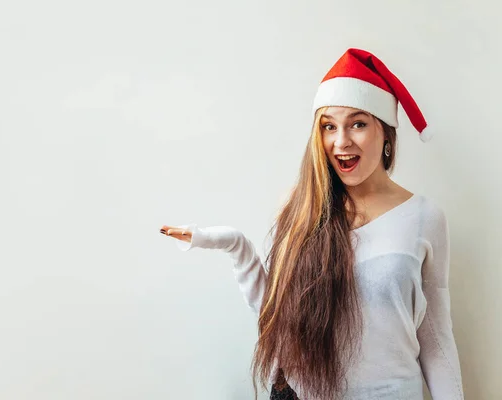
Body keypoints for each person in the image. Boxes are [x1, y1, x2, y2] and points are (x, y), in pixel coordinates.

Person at [160, 48, 464, 400]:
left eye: (358, 124)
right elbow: (276, 319)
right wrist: (236, 246)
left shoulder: (424, 218)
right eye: (328, 127)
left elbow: (436, 339)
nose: (341, 142)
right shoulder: (302, 208)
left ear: (386, 133)